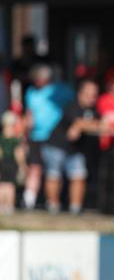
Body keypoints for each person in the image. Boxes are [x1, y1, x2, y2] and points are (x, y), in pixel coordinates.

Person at [42, 80, 101, 215]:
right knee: (54, 175)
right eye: (88, 95)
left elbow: (100, 124)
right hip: (57, 146)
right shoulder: (72, 106)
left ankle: (75, 208)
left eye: (94, 95)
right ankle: (53, 206)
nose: (91, 98)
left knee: (79, 175)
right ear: (80, 94)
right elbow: (79, 123)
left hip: (76, 149)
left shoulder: (93, 111)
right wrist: (82, 125)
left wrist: (84, 126)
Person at [23, 64, 74, 209]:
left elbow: (73, 105)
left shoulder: (60, 90)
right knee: (34, 167)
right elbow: (29, 113)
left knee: (54, 170)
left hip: (54, 136)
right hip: (35, 136)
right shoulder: (31, 92)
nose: (38, 81)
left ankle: (53, 202)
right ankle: (29, 201)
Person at [0, 111, 26, 214]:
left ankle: (1, 205)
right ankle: (9, 206)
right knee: (10, 186)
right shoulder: (15, 140)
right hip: (11, 163)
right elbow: (18, 154)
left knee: (2, 185)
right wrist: (22, 165)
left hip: (2, 163)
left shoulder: (1, 138)